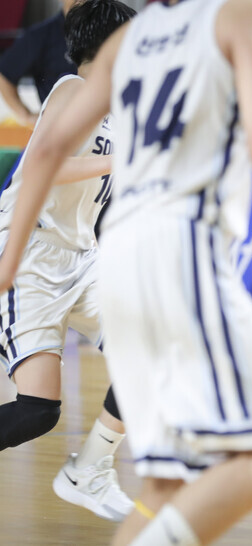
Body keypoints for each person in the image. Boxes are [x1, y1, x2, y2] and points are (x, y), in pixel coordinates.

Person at [0, 0, 252, 544]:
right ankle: (94, 467)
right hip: (123, 250)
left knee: (167, 469)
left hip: (104, 255)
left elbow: (52, 160)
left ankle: (91, 465)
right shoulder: (232, 17)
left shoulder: (134, 53)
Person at [0, 0, 136, 522]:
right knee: (37, 412)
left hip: (83, 257)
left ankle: (91, 468)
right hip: (30, 254)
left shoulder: (119, 111)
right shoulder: (72, 89)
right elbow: (44, 167)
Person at [0, 0, 78, 127]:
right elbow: (5, 74)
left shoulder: (104, 33)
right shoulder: (41, 36)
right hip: (57, 127)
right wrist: (27, 116)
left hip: (103, 126)